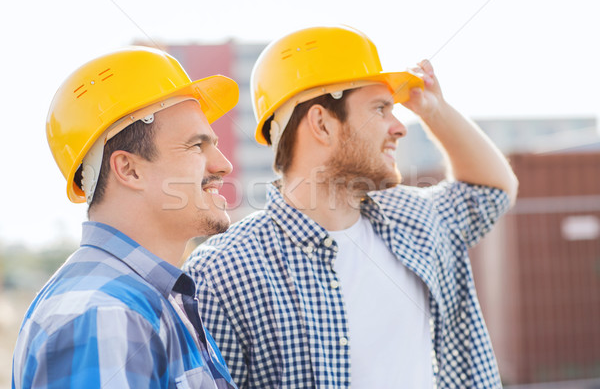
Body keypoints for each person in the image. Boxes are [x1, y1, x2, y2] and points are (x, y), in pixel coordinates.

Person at [183, 25, 519, 388]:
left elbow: (492, 190)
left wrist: (435, 110)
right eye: (380, 109)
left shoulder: (413, 217)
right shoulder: (223, 273)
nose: (399, 127)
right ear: (322, 124)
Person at [12, 47, 239, 388]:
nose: (223, 165)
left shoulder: (153, 303)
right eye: (196, 146)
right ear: (129, 169)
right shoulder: (105, 316)